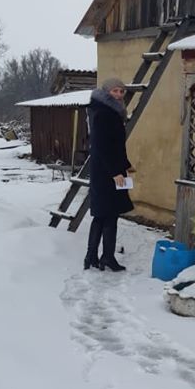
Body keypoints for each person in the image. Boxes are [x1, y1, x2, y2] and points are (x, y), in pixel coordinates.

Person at [84, 77, 135, 272]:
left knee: (103, 215)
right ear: (107, 93)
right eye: (115, 91)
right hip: (107, 172)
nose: (120, 95)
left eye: (122, 91)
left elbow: (115, 146)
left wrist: (125, 165)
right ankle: (105, 257)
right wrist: (115, 172)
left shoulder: (108, 111)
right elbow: (102, 147)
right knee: (108, 216)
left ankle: (94, 257)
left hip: (107, 170)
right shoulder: (104, 113)